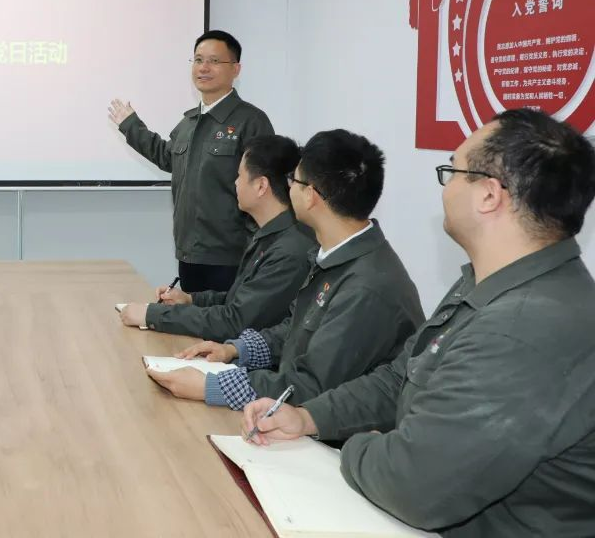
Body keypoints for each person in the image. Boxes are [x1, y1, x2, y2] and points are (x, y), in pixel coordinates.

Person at [242, 109, 595, 537]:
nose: (445, 188)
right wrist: (307, 418)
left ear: (488, 195)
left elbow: (416, 485)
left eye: (453, 171)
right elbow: (400, 377)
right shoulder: (491, 283)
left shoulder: (524, 328)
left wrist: (353, 446)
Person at [147, 129, 424, 412]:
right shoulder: (335, 256)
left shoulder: (366, 287)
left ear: (311, 195)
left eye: (294, 180)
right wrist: (235, 349)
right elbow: (294, 329)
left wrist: (213, 385)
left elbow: (310, 386)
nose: (288, 187)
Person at [108, 30, 273, 292]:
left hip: (232, 256)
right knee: (190, 315)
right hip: (189, 253)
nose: (203, 68)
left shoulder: (251, 121)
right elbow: (167, 157)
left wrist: (255, 248)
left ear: (236, 69)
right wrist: (131, 126)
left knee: (226, 317)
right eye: (198, 60)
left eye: (214, 61)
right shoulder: (189, 122)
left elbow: (266, 189)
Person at [119, 135, 314, 340]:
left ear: (261, 186)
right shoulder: (270, 235)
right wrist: (190, 300)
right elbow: (237, 300)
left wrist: (153, 315)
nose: (235, 183)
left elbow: (235, 321)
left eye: (239, 175)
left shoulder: (289, 251)